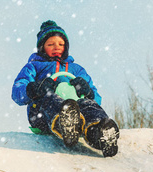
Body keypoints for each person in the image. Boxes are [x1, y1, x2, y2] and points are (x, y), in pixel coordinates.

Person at [12, 20, 119, 157]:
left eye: (61, 44)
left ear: (66, 47)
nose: (56, 47)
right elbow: (17, 91)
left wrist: (87, 91)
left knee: (88, 104)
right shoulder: (34, 66)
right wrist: (34, 88)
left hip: (76, 111)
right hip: (41, 114)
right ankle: (65, 123)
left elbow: (96, 98)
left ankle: (99, 132)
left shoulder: (76, 69)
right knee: (50, 97)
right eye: (50, 44)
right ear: (42, 47)